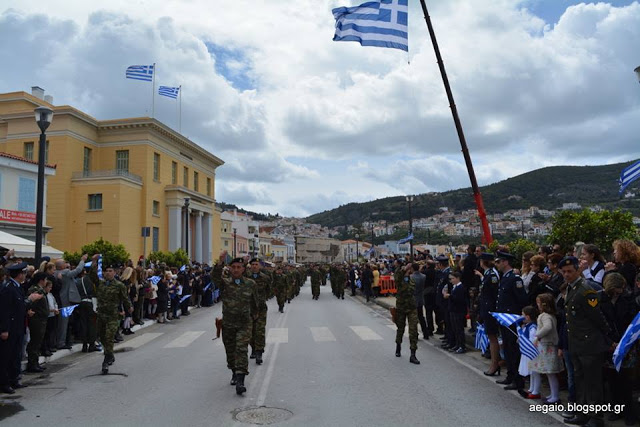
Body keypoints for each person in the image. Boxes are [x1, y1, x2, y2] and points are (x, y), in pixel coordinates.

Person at [559, 256, 609, 427]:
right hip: (576, 344)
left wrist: (608, 338)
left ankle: (596, 417)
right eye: (564, 272)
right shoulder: (572, 289)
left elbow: (598, 318)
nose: (566, 275)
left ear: (577, 270)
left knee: (592, 383)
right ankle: (582, 413)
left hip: (590, 345)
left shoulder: (586, 290)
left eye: (570, 271)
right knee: (580, 381)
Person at [600, 272, 638, 425]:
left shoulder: (628, 301)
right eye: (616, 288)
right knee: (612, 380)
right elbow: (599, 324)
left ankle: (629, 413)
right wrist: (610, 342)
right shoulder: (600, 301)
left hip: (626, 345)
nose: (619, 291)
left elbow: (633, 323)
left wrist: (623, 342)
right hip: (609, 346)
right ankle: (615, 409)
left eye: (620, 288)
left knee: (626, 381)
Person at [0, 262, 44, 394]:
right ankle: (4, 383)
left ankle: (14, 379)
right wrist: (4, 329)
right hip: (11, 328)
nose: (25, 275)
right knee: (6, 356)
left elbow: (17, 307)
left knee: (16, 355)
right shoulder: (8, 288)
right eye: (23, 273)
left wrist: (26, 312)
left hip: (19, 327)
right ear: (19, 274)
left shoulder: (17, 287)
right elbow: (5, 311)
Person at [221, 258, 258, 395]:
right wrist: (219, 263)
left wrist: (255, 315)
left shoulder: (250, 284)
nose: (236, 269)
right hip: (228, 324)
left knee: (241, 349)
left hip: (244, 323)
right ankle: (234, 372)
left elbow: (255, 301)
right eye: (233, 267)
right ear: (230, 268)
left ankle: (241, 380)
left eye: (239, 267)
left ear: (243, 269)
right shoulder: (225, 283)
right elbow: (214, 278)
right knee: (230, 352)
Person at [494, 251, 528, 393]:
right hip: (504, 318)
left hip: (512, 319)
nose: (497, 264)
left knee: (513, 350)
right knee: (507, 348)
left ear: (505, 262)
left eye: (499, 261)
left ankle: (517, 379)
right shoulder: (505, 277)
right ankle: (510, 375)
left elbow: (522, 300)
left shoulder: (515, 279)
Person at [91, 263, 132, 375]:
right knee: (102, 337)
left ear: (114, 273)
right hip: (101, 315)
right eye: (106, 271)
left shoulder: (119, 285)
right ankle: (110, 354)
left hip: (113, 316)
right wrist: (94, 264)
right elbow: (92, 276)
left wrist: (129, 308)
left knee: (109, 337)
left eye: (110, 271)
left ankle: (106, 360)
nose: (108, 273)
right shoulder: (100, 283)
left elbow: (125, 298)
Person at [530, 294, 564, 404]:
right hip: (549, 345)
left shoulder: (544, 316)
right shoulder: (551, 315)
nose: (538, 305)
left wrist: (537, 335)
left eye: (539, 303)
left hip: (547, 345)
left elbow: (548, 327)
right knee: (550, 373)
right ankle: (553, 394)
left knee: (550, 372)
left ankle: (555, 396)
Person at [54, 254, 90, 350]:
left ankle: (60, 341)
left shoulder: (55, 273)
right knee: (64, 323)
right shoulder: (65, 272)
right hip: (65, 300)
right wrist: (82, 260)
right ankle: (61, 342)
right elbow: (77, 270)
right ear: (61, 266)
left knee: (61, 323)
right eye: (65, 263)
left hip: (59, 299)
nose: (66, 264)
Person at [476, 253, 501, 376]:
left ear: (483, 262)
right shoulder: (488, 274)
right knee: (491, 337)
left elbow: (492, 295)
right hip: (487, 309)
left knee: (493, 338)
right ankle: (494, 363)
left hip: (491, 310)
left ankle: (495, 364)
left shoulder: (491, 275)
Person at [394, 262, 419, 364]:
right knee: (401, 328)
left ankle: (413, 354)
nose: (409, 271)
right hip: (401, 307)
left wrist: (407, 275)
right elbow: (397, 276)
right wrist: (403, 270)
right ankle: (398, 346)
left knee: (413, 331)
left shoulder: (411, 280)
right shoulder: (399, 279)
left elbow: (412, 290)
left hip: (412, 307)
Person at [247, 258, 271, 365]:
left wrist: (261, 300)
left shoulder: (265, 278)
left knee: (260, 331)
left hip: (261, 309)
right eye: (252, 264)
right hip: (248, 310)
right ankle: (253, 347)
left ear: (259, 266)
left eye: (256, 264)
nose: (254, 266)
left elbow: (268, 291)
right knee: (250, 331)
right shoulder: (246, 278)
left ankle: (259, 352)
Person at [26, 272, 50, 373]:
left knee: (38, 342)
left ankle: (35, 363)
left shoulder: (40, 290)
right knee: (35, 342)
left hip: (41, 319)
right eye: (45, 280)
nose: (46, 282)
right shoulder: (34, 290)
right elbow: (32, 304)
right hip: (36, 319)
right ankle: (32, 364)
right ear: (41, 280)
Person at [76, 263, 98, 352]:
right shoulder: (92, 280)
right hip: (91, 303)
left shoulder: (79, 281)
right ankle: (92, 344)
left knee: (83, 324)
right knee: (92, 325)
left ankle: (84, 345)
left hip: (82, 303)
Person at [519, 306, 538, 398]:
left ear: (527, 317)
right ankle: (532, 388)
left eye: (523, 315)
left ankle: (536, 391)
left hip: (532, 352)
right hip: (528, 351)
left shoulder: (532, 327)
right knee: (531, 372)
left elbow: (533, 339)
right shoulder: (527, 326)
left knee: (535, 372)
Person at [445, 271, 466, 353]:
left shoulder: (460, 287)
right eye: (450, 279)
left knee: (459, 329)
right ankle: (457, 344)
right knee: (455, 329)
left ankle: (462, 346)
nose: (451, 280)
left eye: (453, 278)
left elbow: (459, 299)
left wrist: (450, 296)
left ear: (457, 278)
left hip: (458, 311)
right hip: (453, 310)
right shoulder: (454, 287)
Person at [410, 263, 428, 339]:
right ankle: (425, 333)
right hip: (420, 298)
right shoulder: (423, 276)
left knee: (413, 318)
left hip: (413, 298)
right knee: (421, 317)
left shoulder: (411, 277)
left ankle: (415, 334)